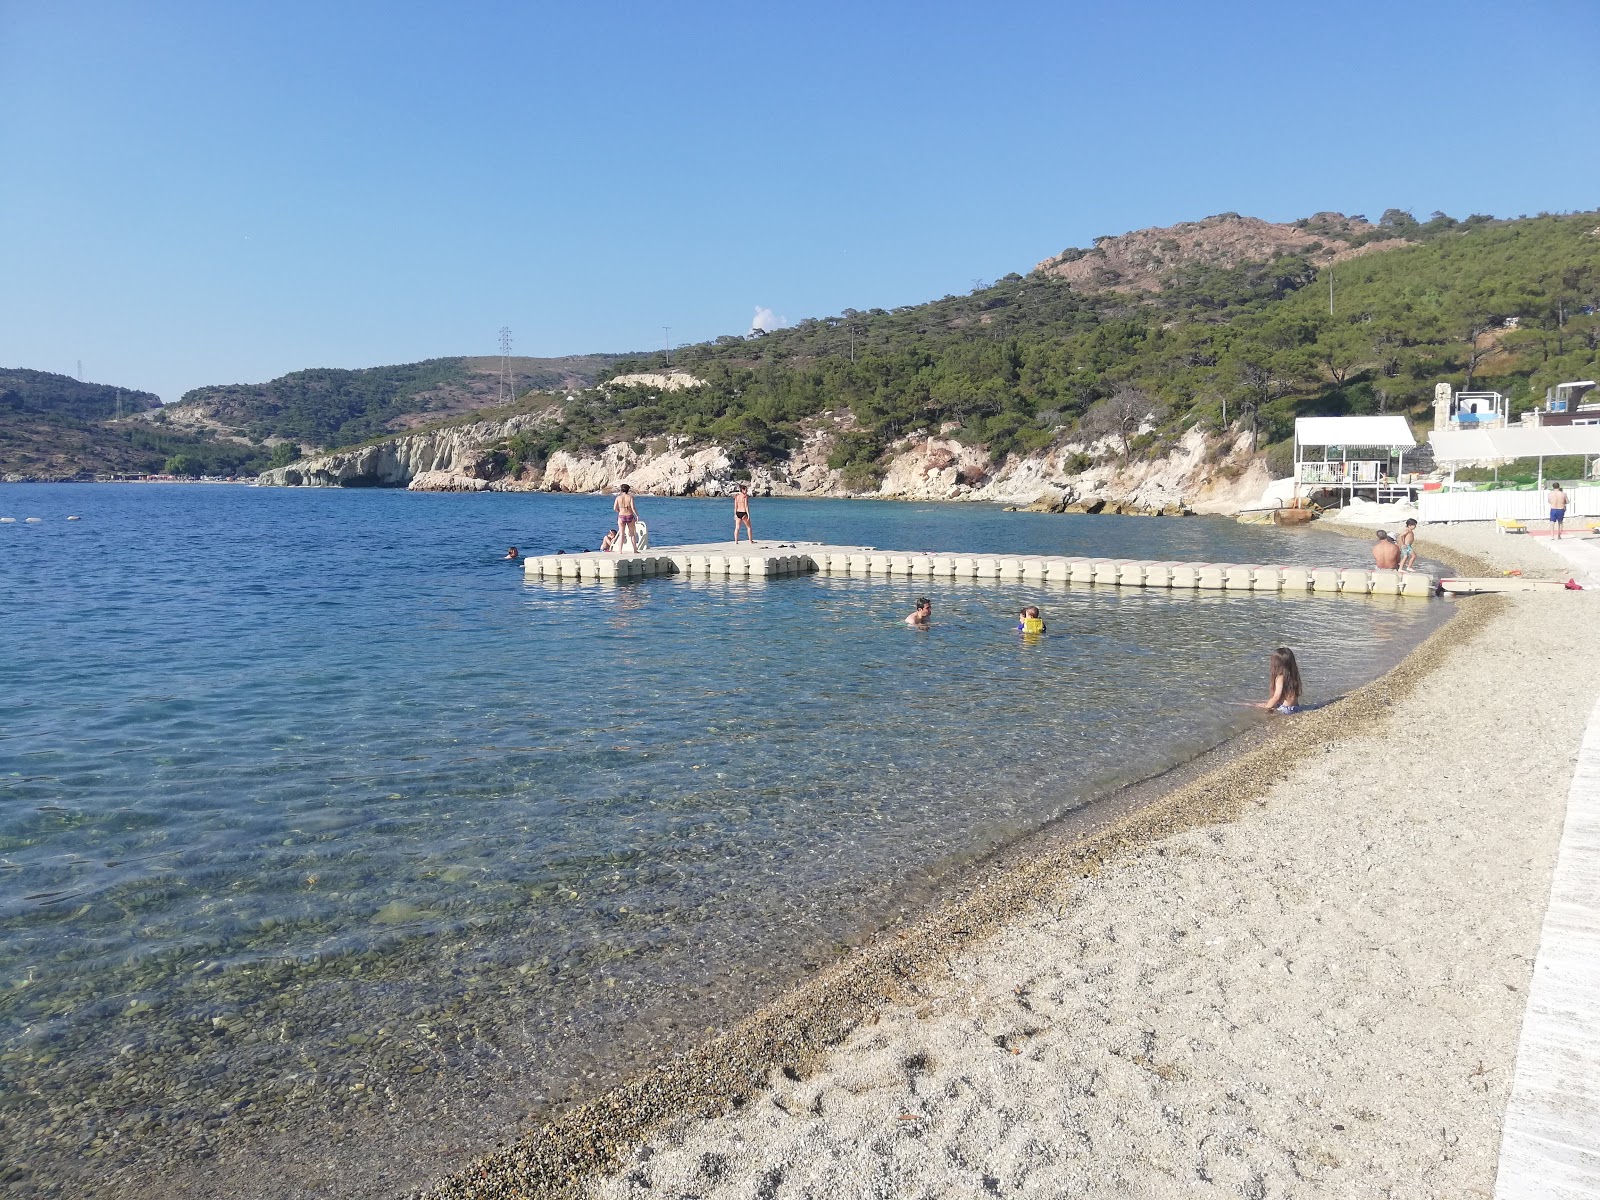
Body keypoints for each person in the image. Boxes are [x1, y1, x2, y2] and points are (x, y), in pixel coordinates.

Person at [1255, 646, 1302, 714]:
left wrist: (1266, 708)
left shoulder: (1280, 677)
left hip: (1286, 709)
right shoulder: (1292, 675)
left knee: (1257, 706)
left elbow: (1276, 697)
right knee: (1261, 703)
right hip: (1296, 707)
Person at [613, 484, 640, 551]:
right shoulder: (630, 497)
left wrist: (619, 510)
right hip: (629, 516)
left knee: (621, 534)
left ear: (621, 490)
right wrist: (637, 515)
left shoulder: (618, 498)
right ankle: (635, 550)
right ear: (628, 490)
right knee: (632, 534)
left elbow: (614, 508)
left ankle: (620, 550)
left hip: (621, 516)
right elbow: (633, 508)